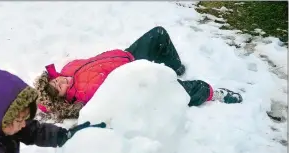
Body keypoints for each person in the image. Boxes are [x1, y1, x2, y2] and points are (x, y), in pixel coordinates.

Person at [34, 26, 243, 121]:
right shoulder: (84, 97)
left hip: (128, 57)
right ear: (63, 99)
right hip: (139, 79)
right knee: (181, 92)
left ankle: (174, 68)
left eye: (55, 81)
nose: (60, 81)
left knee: (157, 34)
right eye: (58, 88)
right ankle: (211, 93)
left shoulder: (68, 70)